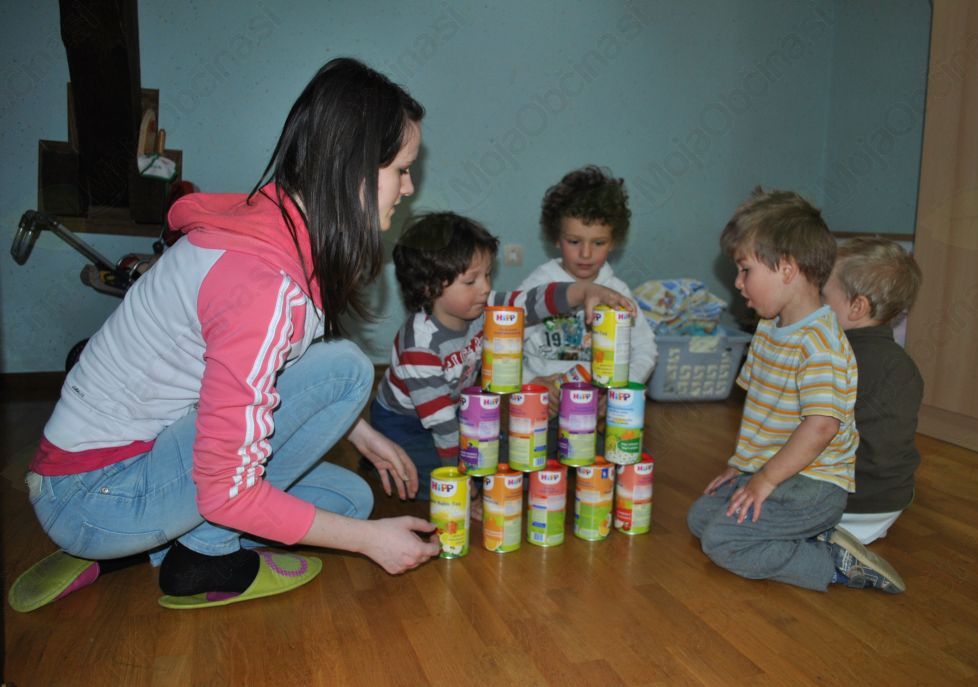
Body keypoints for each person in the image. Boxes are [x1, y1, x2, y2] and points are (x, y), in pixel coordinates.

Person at [9, 58, 439, 613]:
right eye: (401, 170)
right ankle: (201, 559)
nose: (408, 187)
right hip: (93, 494)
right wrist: (371, 544)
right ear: (352, 169)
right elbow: (226, 490)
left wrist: (359, 434)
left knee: (350, 500)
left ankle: (142, 545)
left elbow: (265, 375)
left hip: (117, 472)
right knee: (347, 370)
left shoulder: (271, 225)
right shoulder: (262, 284)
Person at [686, 187, 905, 593]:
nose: (737, 283)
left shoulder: (821, 344)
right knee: (700, 519)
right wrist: (741, 465)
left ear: (786, 268)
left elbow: (821, 427)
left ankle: (832, 563)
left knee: (723, 541)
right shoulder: (769, 328)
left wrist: (765, 479)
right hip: (777, 472)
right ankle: (807, 536)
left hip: (814, 486)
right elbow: (760, 413)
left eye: (745, 270)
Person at [372, 211, 636, 500]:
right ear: (429, 287)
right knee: (425, 474)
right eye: (471, 281)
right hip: (405, 423)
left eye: (487, 275)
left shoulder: (483, 306)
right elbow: (443, 426)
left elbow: (531, 302)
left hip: (456, 409)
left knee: (505, 451)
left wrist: (584, 291)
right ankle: (381, 458)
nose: (486, 287)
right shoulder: (419, 347)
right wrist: (467, 489)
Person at [518, 166, 656, 416]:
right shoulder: (537, 286)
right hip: (541, 407)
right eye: (574, 241)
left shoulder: (617, 292)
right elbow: (501, 345)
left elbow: (645, 349)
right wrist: (530, 381)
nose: (585, 253)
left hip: (595, 411)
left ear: (613, 242)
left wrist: (621, 390)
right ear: (556, 238)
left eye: (599, 243)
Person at [822, 237, 924, 544]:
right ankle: (849, 542)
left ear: (857, 307)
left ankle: (818, 547)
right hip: (889, 503)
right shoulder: (905, 365)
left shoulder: (833, 359)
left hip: (839, 501)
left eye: (822, 296)